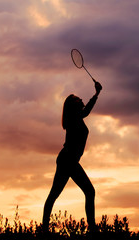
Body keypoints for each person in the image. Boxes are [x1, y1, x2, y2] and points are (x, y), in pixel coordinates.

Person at [42, 80, 102, 232]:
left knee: (55, 194)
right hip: (67, 160)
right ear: (72, 106)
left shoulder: (76, 119)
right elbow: (86, 111)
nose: (81, 99)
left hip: (68, 160)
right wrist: (96, 94)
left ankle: (44, 229)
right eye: (77, 99)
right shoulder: (73, 118)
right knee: (89, 191)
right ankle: (92, 230)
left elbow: (85, 112)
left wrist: (96, 94)